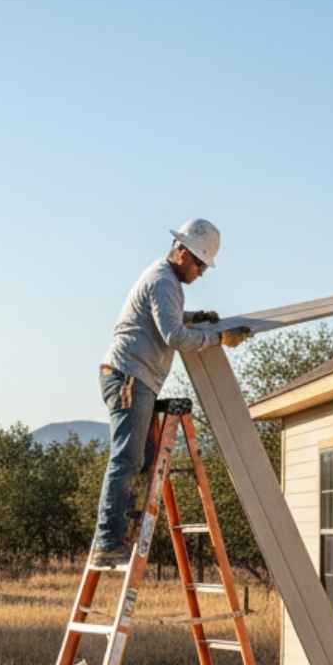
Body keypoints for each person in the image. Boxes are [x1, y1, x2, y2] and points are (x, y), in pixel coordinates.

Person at [89, 218, 250, 566]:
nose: (201, 273)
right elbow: (174, 337)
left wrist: (195, 317)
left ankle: (120, 531)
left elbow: (169, 320)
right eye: (199, 264)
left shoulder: (165, 282)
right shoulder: (164, 282)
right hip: (131, 377)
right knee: (126, 459)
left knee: (143, 458)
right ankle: (108, 543)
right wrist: (220, 337)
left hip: (134, 376)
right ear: (181, 251)